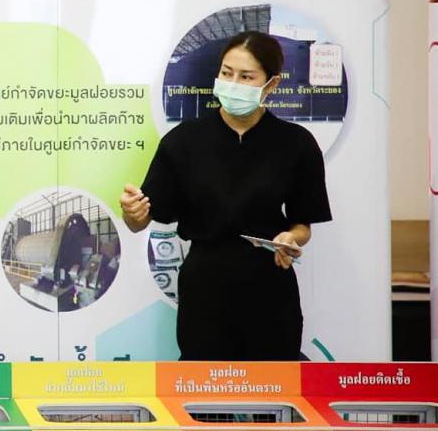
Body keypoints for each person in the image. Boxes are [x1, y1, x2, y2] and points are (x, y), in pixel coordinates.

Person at [119, 30, 331, 361]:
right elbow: (141, 219)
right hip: (205, 286)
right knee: (206, 383)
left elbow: (303, 224)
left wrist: (291, 238)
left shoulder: (296, 143)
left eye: (246, 77)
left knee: (274, 381)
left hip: (269, 285)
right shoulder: (184, 141)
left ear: (271, 84)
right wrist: (132, 213)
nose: (233, 83)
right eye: (226, 73)